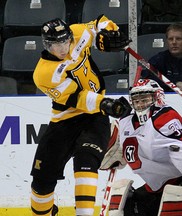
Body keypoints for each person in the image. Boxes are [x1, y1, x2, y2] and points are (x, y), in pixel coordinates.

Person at [30, 16, 130, 216]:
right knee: (41, 183)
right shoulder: (44, 74)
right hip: (64, 121)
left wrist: (110, 32)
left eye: (65, 41)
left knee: (86, 163)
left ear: (69, 36)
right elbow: (77, 98)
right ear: (46, 44)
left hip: (94, 118)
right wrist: (105, 103)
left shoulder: (76, 33)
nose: (62, 47)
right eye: (55, 44)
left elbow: (97, 23)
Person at [100, 79, 182, 215]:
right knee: (124, 206)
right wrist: (114, 153)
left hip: (181, 183)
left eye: (145, 99)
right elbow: (120, 147)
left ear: (157, 98)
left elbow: (181, 147)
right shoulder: (126, 120)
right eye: (137, 101)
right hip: (157, 187)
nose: (140, 105)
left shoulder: (164, 117)